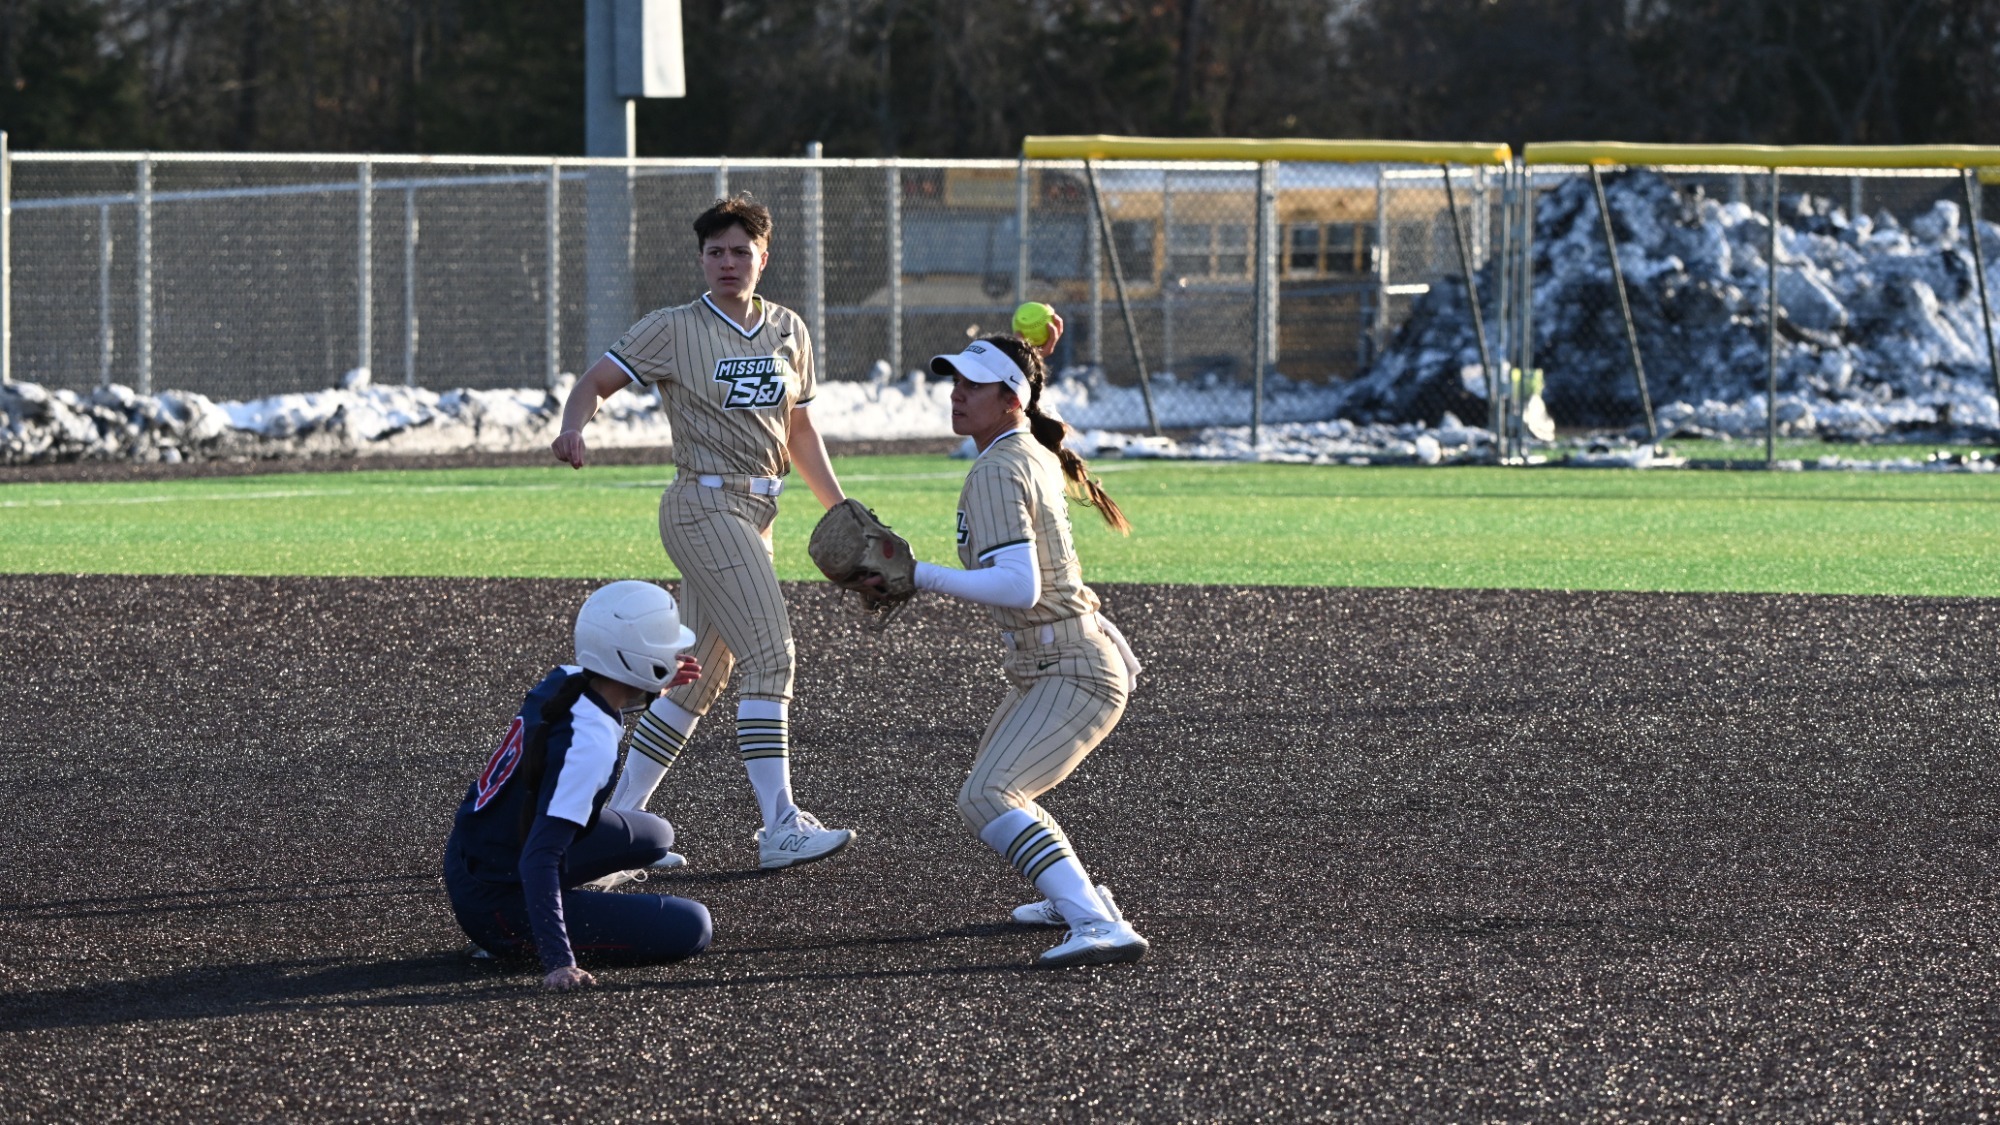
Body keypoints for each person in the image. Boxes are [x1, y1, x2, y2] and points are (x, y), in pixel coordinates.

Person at [551, 194, 855, 872]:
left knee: (690, 683)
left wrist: (837, 507)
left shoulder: (789, 330)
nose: (727, 261)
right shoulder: (674, 327)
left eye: (740, 250)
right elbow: (596, 380)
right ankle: (780, 824)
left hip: (757, 514)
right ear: (701, 259)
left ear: (763, 257)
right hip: (701, 504)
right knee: (771, 656)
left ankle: (607, 835)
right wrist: (576, 424)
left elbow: (798, 429)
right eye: (715, 251)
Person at [913, 318, 1151, 968]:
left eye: (976, 384)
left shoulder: (998, 468)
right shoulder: (1024, 451)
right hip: (1058, 659)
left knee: (990, 795)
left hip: (1070, 669)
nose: (958, 393)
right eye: (956, 380)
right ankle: (1067, 887)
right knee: (992, 788)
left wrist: (916, 576)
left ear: (1011, 399)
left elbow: (1019, 587)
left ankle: (1093, 919)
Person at [442, 581, 713, 992]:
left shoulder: (566, 680)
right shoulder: (589, 746)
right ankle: (512, 936)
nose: (673, 654)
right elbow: (539, 857)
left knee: (656, 834)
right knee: (692, 926)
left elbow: (603, 702)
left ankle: (542, 906)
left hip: (479, 850)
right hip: (495, 899)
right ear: (639, 657)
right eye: (664, 648)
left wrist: (655, 684)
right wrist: (558, 960)